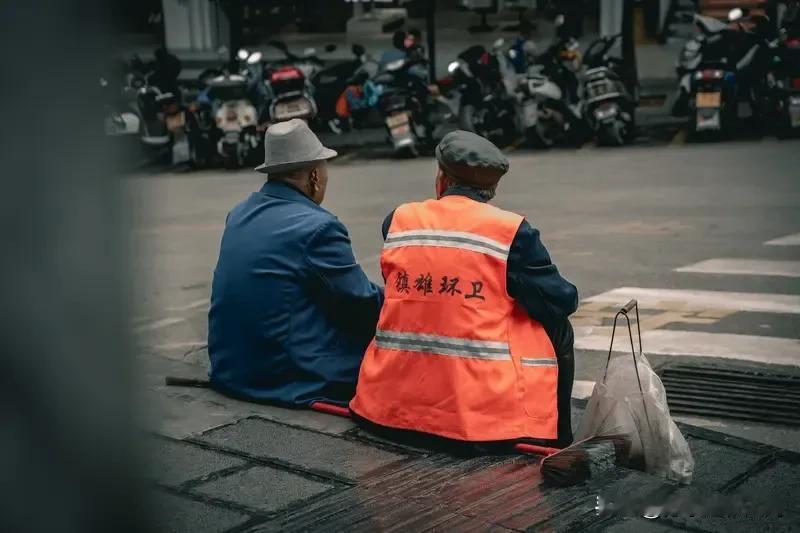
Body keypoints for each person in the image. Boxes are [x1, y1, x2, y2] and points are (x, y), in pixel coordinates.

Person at [350, 130, 578, 451]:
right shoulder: (510, 231)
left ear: (441, 179)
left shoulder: (397, 220)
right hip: (473, 428)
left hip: (383, 412)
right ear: (492, 189)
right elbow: (561, 301)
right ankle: (559, 440)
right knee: (558, 327)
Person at [207, 119, 384, 406]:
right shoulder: (318, 227)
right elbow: (361, 302)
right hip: (282, 375)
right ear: (314, 175)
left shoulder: (238, 213)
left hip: (230, 369)